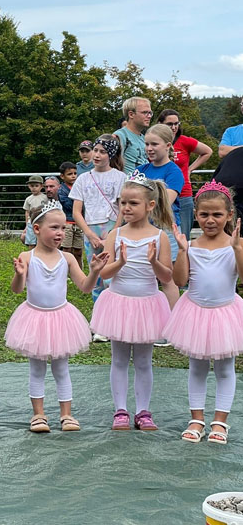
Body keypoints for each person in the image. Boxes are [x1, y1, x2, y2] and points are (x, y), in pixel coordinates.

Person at [5, 199, 107, 433]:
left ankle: (66, 414)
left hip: (61, 319)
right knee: (37, 369)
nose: (60, 232)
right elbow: (17, 290)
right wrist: (19, 274)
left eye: (63, 227)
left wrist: (94, 272)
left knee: (61, 369)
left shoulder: (67, 258)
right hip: (34, 319)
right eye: (54, 227)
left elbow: (84, 287)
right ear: (37, 229)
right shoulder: (27, 257)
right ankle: (38, 415)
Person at [91, 173, 174, 431]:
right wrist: (120, 262)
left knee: (143, 361)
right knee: (118, 359)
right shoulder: (115, 234)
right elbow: (104, 275)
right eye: (123, 202)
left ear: (150, 205)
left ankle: (143, 411)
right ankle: (120, 411)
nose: (126, 208)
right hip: (119, 304)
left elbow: (167, 277)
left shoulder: (159, 237)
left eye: (133, 203)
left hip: (147, 304)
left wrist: (153, 261)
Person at [164, 182, 243, 445]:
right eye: (204, 214)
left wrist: (238, 249)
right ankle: (196, 419)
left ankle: (220, 421)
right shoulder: (191, 245)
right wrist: (182, 251)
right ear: (196, 214)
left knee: (225, 369)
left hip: (226, 313)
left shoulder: (236, 245)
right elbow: (180, 280)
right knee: (197, 368)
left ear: (229, 215)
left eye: (217, 214)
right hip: (195, 312)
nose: (210, 220)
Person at [70, 135, 124, 304]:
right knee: (95, 275)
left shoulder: (120, 177)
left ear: (111, 155)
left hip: (111, 227)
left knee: (111, 274)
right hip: (90, 228)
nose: (97, 155)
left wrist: (113, 233)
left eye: (102, 152)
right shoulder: (83, 179)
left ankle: (114, 310)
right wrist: (89, 234)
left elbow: (122, 209)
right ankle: (99, 311)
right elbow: (76, 211)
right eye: (95, 150)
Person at [136, 123, 185, 308]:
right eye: (147, 144)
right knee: (143, 275)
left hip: (166, 229)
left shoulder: (174, 172)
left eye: (154, 144)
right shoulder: (141, 170)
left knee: (167, 278)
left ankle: (173, 319)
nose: (149, 148)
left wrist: (139, 204)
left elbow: (165, 201)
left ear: (168, 145)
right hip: (142, 229)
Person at [157, 109, 213, 239]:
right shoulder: (155, 143)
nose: (174, 127)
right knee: (162, 235)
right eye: (169, 124)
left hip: (183, 194)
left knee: (183, 236)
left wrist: (190, 169)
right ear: (160, 124)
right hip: (161, 195)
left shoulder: (184, 141)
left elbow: (207, 151)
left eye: (176, 123)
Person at [114, 97, 152, 175]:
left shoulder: (144, 138)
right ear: (131, 114)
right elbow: (112, 164)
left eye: (150, 113)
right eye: (145, 112)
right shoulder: (120, 135)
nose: (149, 116)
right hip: (127, 181)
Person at [56, 162, 83, 263]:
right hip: (67, 222)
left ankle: (78, 269)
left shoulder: (79, 187)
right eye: (70, 174)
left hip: (79, 222)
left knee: (78, 250)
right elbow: (68, 205)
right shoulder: (61, 190)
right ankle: (65, 269)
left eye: (75, 173)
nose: (73, 176)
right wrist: (79, 202)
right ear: (62, 176)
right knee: (66, 249)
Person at [20, 175, 46, 246]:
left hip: (42, 222)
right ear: (29, 186)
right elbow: (27, 212)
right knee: (31, 242)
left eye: (36, 186)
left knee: (42, 241)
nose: (34, 188)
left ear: (41, 186)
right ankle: (31, 252)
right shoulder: (28, 199)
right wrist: (27, 225)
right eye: (32, 186)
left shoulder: (45, 198)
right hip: (31, 223)